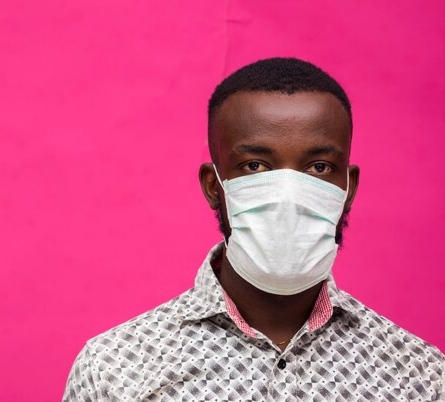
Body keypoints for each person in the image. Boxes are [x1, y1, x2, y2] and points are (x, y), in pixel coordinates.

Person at [62, 57, 444, 401]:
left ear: (348, 188)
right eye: (256, 166)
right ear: (215, 186)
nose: (288, 194)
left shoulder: (420, 378)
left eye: (318, 167)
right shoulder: (115, 372)